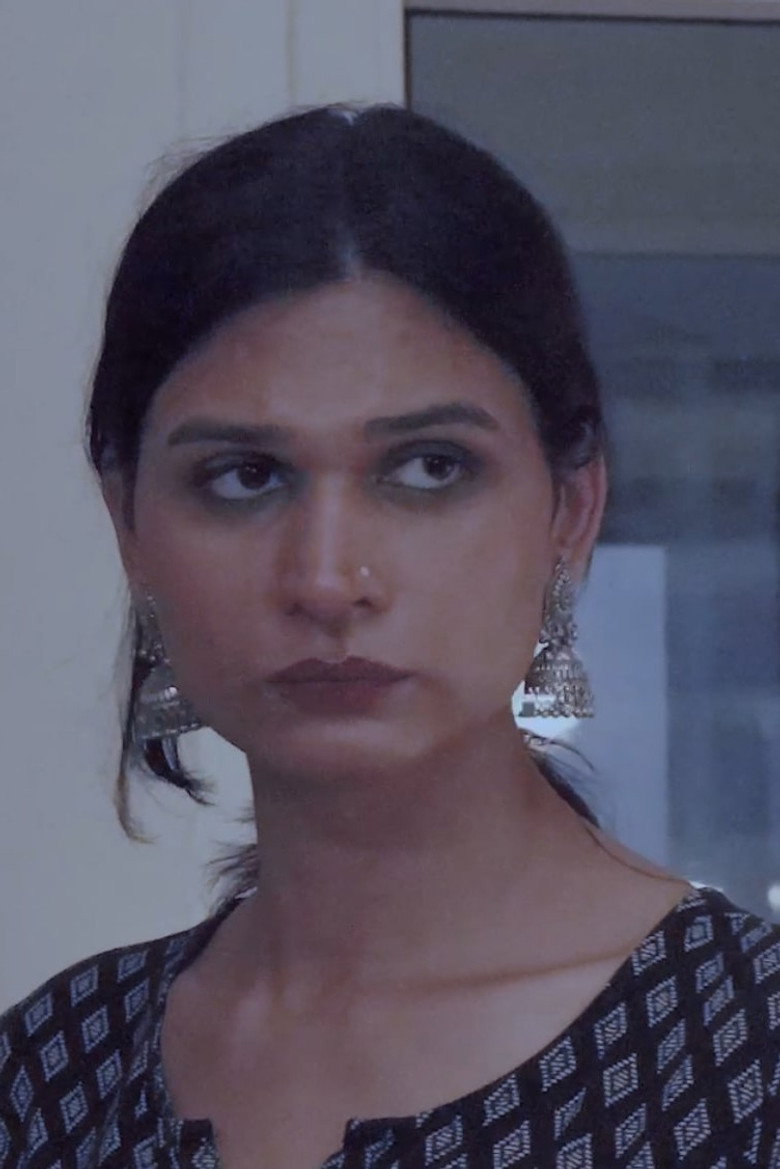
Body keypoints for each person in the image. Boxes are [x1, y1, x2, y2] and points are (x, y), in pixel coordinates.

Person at [1, 104, 778, 1169]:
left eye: (427, 468)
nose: (327, 578)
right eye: (244, 476)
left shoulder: (751, 1056)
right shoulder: (51, 1076)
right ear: (129, 524)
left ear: (570, 511)